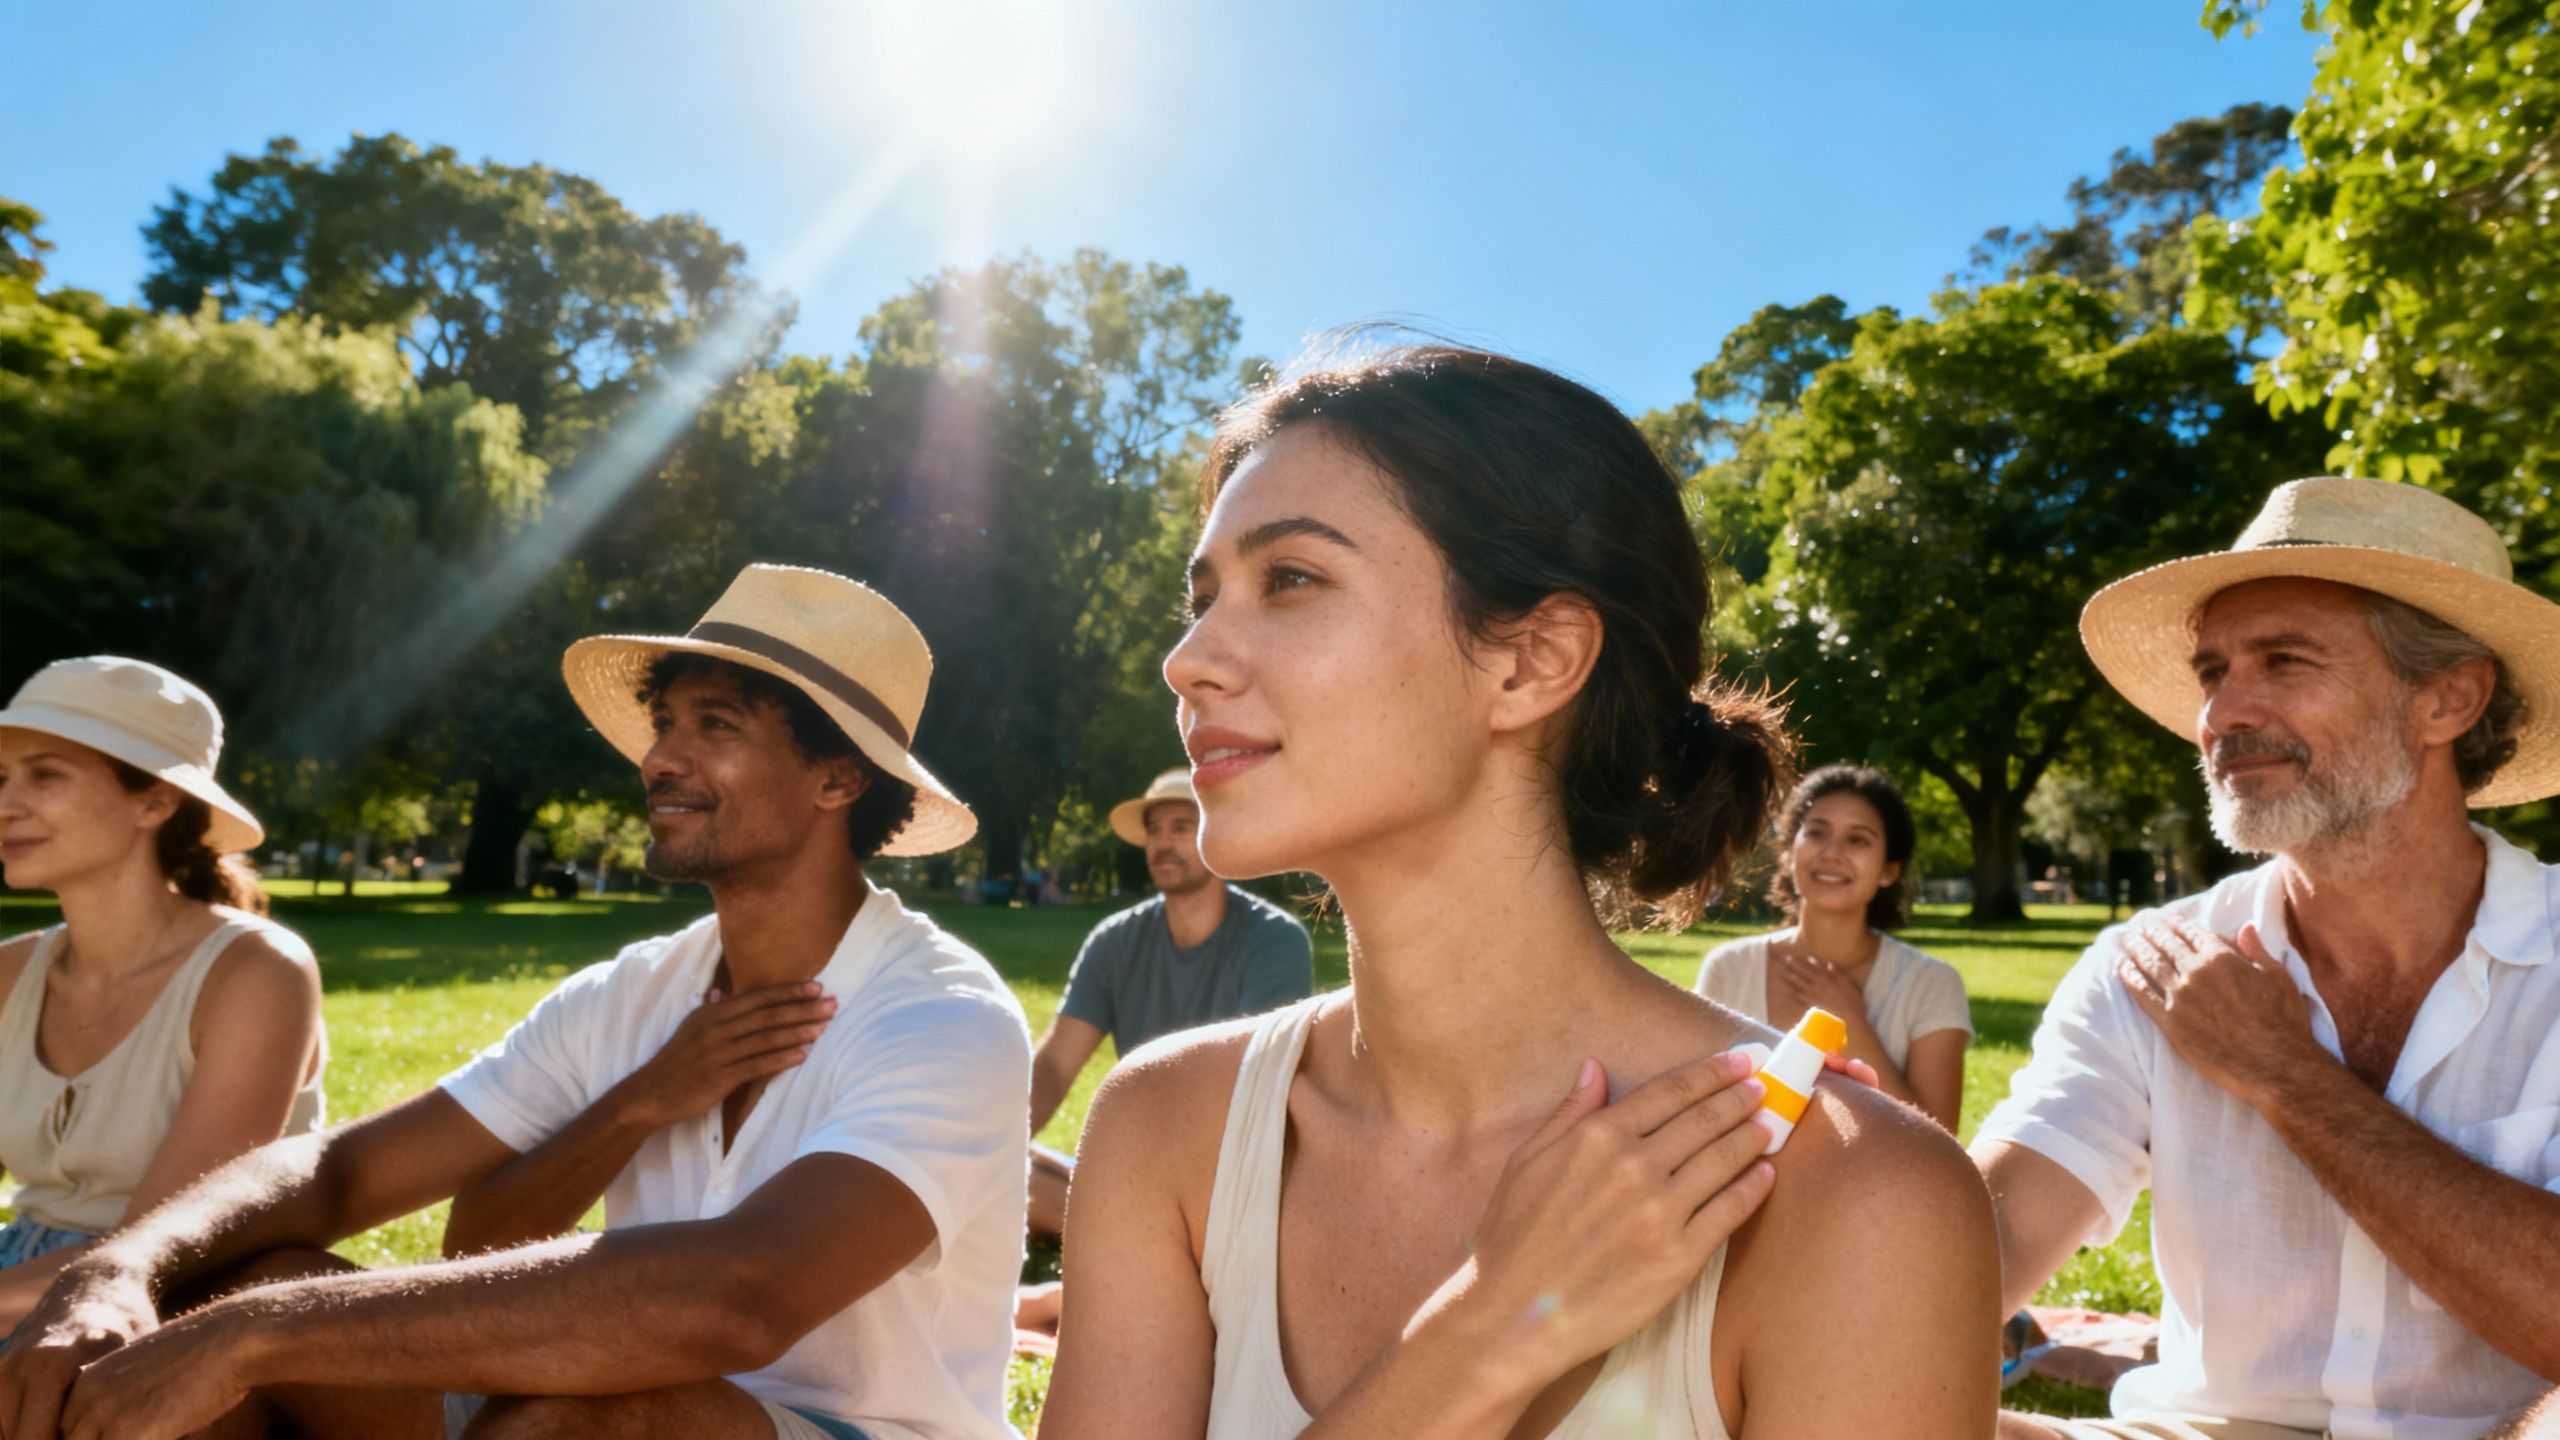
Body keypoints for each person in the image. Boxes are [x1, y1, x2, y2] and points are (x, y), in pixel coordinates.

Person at [1038, 345, 2000, 1438]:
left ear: (1533, 662)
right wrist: (1487, 1332)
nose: (1186, 660)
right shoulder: (1166, 1128)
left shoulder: (1861, 1199)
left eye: (1291, 579)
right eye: (1202, 598)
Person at [0, 564, 1033, 1440]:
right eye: (664, 723)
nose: (659, 757)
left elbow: (740, 1297)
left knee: (578, 1417)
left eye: (713, 724)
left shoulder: (941, 1015)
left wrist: (260, 1331)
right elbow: (342, 1167)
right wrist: (119, 1269)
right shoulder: (633, 992)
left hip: (833, 1429)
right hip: (598, 1394)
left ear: (836, 779)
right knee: (214, 1285)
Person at [1977, 478, 2560, 1439]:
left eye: (2284, 661)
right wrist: (1858, 1171)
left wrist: (2286, 1076)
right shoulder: (2154, 964)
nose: (2221, 715)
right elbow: (1987, 1239)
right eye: (2212, 673)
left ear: (2449, 699)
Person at [0, 656, 325, 1331]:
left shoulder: (258, 972)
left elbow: (171, 1245)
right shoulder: (11, 972)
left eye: (46, 775)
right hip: (20, 1277)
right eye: (2, 777)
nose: (7, 804)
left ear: (155, 800)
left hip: (175, 1300)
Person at [1025, 766, 1314, 1239]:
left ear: (1217, 833)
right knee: (1017, 1175)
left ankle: (1145, 1237)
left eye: (1182, 827)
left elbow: (1250, 1089)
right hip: (1136, 1167)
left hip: (1231, 1175)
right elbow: (1056, 1065)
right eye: (1154, 830)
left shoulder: (1274, 942)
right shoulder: (1115, 943)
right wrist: (995, 1146)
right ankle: (1146, 1237)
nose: (1162, 843)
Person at [1694, 763, 1972, 1131]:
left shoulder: (1932, 984)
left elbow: (1941, 1140)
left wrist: (1852, 1023)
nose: (1831, 852)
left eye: (1857, 839)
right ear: (1788, 853)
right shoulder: (1729, 969)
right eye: (1816, 832)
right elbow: (1700, 1107)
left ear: (1889, 870)